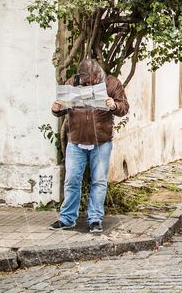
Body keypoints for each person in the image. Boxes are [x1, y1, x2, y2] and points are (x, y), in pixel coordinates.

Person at [49, 59, 129, 234]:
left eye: (94, 81)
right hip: (76, 141)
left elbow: (124, 108)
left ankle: (94, 219)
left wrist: (114, 105)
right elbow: (62, 109)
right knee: (71, 181)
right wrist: (56, 109)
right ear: (81, 77)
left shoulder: (112, 83)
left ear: (100, 74)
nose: (91, 84)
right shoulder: (72, 83)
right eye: (87, 82)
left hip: (101, 142)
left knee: (99, 182)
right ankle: (67, 218)